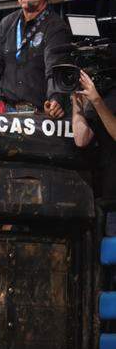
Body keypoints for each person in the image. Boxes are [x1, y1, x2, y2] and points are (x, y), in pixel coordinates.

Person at [72, 70, 116, 232]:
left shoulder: (100, 100)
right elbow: (81, 139)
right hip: (107, 198)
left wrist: (97, 101)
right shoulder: (102, 96)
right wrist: (76, 104)